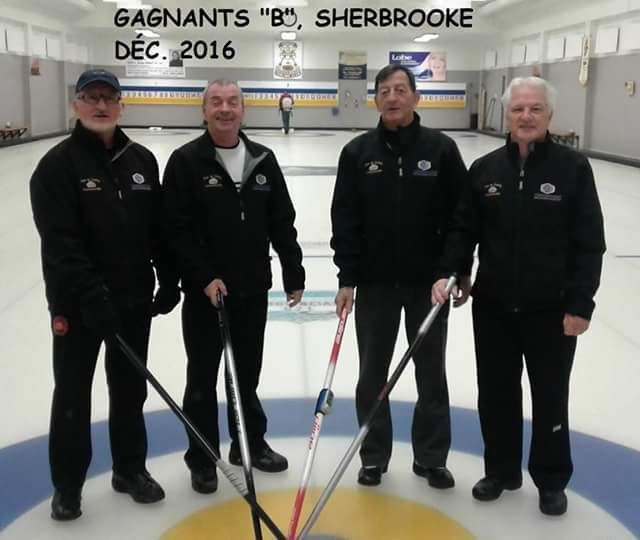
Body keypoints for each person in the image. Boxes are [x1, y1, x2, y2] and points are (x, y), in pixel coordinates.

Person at [432, 77, 606, 516]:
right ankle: (501, 471)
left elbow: (589, 242)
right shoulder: (485, 169)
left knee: (550, 396)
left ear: (549, 115)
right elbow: (463, 230)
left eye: (535, 109)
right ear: (506, 116)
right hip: (494, 307)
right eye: (517, 109)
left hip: (551, 309)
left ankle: (550, 479)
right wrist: (454, 272)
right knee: (495, 394)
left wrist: (581, 303)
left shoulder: (573, 169)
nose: (526, 116)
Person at [29, 69, 180, 521]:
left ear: (121, 105)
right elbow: (61, 244)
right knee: (73, 393)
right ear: (76, 104)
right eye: (91, 97)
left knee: (130, 389)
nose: (100, 106)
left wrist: (167, 277)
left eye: (108, 98)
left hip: (133, 300)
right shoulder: (57, 166)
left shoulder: (142, 160)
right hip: (78, 305)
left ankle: (129, 470)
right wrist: (92, 297)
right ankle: (68, 486)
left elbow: (157, 230)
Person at [331, 64, 470, 489]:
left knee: (431, 375)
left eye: (400, 89)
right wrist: (347, 279)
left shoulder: (442, 150)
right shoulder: (357, 153)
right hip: (375, 286)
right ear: (375, 99)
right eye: (384, 91)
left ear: (415, 97)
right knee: (372, 375)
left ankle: (431, 458)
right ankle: (373, 456)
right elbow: (345, 220)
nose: (392, 97)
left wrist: (454, 271)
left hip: (429, 287)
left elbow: (462, 218)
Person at [163, 79, 305, 494]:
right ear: (204, 110)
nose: (224, 109)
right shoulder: (186, 161)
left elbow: (282, 220)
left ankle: (249, 444)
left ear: (243, 110)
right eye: (216, 102)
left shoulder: (262, 159)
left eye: (232, 102)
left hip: (251, 288)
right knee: (202, 379)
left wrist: (293, 272)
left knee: (246, 375)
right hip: (206, 294)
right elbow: (175, 229)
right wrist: (203, 277)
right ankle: (203, 457)